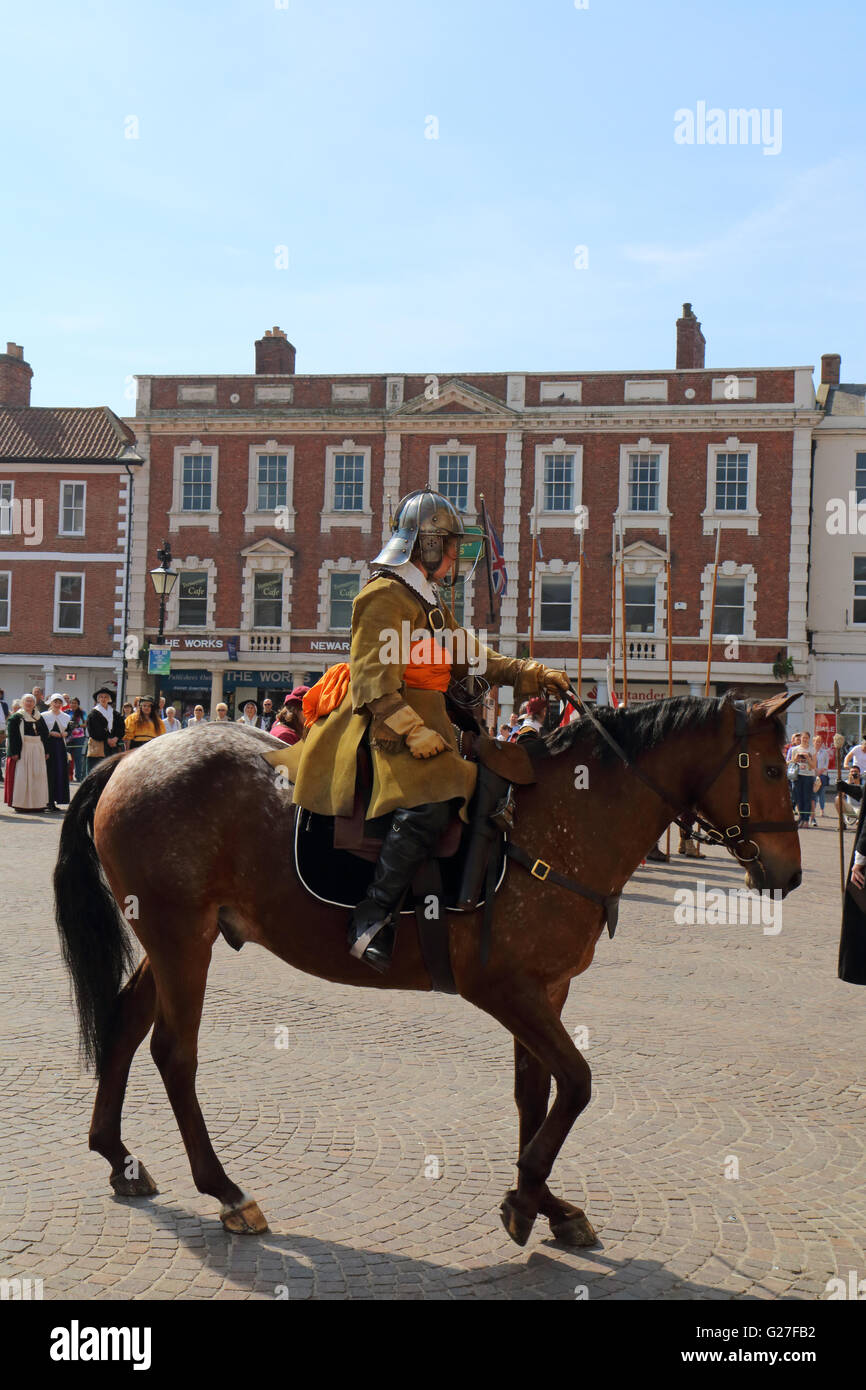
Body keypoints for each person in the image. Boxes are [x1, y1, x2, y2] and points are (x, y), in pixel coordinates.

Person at [293, 485, 570, 973]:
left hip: (433, 721)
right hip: (386, 726)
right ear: (426, 544)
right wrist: (413, 731)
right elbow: (374, 683)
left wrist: (531, 672)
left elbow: (474, 657)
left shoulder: (429, 604)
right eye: (450, 546)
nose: (457, 558)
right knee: (436, 794)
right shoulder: (383, 597)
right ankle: (372, 916)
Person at [4, 693, 50, 811]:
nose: (29, 703)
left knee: (38, 776)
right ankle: (22, 804)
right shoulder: (16, 717)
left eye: (31, 701)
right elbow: (13, 736)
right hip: (24, 748)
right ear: (22, 703)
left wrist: (46, 750)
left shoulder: (38, 716)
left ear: (34, 703)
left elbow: (45, 734)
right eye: (27, 701)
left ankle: (37, 804)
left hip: (38, 748)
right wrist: (14, 752)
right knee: (23, 776)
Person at [41, 693, 71, 811]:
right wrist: (50, 733)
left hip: (60, 748)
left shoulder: (65, 717)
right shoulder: (44, 716)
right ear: (51, 703)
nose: (57, 704)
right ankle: (46, 800)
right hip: (48, 746)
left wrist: (66, 733)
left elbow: (69, 729)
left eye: (59, 702)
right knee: (48, 773)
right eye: (55, 702)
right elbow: (41, 731)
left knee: (59, 773)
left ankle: (55, 800)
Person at [86, 688, 125, 773]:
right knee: (97, 769)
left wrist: (116, 738)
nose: (103, 699)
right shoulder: (93, 714)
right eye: (101, 697)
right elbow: (93, 731)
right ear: (98, 699)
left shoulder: (115, 714)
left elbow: (121, 728)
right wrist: (107, 739)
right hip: (99, 745)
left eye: (106, 697)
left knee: (112, 769)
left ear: (109, 699)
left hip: (112, 746)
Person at [790, 731, 816, 828]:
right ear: (800, 738)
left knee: (807, 798)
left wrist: (808, 758)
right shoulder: (795, 749)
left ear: (809, 739)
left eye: (806, 738)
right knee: (798, 798)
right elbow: (792, 763)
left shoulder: (812, 750)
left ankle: (806, 819)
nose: (804, 739)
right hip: (798, 775)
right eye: (803, 737)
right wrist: (796, 758)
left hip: (808, 776)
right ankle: (801, 818)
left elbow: (814, 766)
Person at [65, 697, 88, 781]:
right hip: (68, 737)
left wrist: (78, 725)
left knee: (78, 758)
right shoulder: (66, 712)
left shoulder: (82, 713)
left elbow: (86, 724)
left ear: (78, 704)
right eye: (72, 703)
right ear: (69, 704)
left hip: (79, 737)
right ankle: (69, 776)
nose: (73, 704)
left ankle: (79, 777)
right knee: (68, 758)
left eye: (75, 703)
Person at [813, 733, 830, 822]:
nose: (818, 743)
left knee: (822, 793)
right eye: (817, 741)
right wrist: (815, 770)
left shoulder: (825, 752)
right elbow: (810, 764)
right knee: (814, 793)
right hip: (813, 775)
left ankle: (822, 810)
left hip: (822, 775)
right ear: (813, 742)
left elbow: (826, 765)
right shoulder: (811, 751)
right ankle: (814, 810)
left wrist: (820, 771)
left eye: (820, 742)